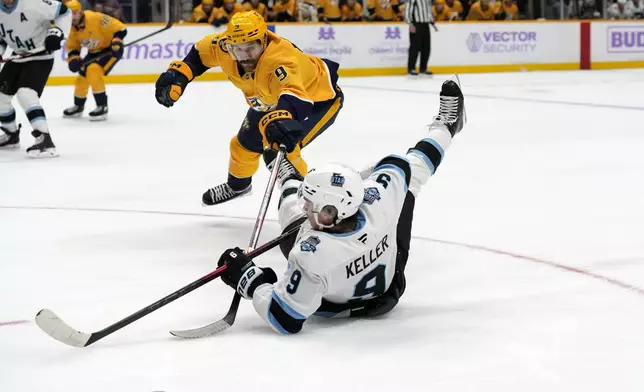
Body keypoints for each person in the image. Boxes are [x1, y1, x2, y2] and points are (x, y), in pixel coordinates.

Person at [214, 76, 466, 334]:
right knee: (409, 181)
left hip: (332, 306)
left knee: (290, 211)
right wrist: (355, 183)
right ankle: (447, 126)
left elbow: (284, 319)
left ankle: (287, 176)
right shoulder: (380, 196)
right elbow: (410, 162)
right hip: (388, 291)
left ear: (328, 214)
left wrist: (252, 282)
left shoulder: (311, 256)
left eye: (311, 204)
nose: (306, 208)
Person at [154, 11, 343, 206]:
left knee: (283, 150)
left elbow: (295, 95)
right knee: (243, 146)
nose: (244, 56)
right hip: (268, 100)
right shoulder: (225, 47)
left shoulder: (281, 59)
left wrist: (281, 119)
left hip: (316, 99)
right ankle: (238, 186)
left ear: (263, 40)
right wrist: (179, 75)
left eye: (250, 48)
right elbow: (199, 54)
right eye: (237, 49)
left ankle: (300, 202)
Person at [0, 0, 71, 157]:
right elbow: (2, 37)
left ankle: (45, 140)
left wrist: (57, 33)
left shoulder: (34, 3)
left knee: (26, 94)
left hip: (40, 55)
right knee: (0, 98)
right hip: (18, 56)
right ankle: (11, 135)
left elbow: (64, 12)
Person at [63, 0, 127, 121]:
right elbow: (73, 47)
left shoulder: (95, 18)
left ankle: (102, 106)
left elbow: (120, 28)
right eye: (69, 14)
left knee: (93, 71)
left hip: (111, 50)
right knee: (81, 77)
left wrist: (117, 41)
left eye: (75, 13)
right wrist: (73, 59)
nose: (72, 17)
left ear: (80, 12)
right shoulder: (70, 27)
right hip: (94, 52)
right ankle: (78, 106)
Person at [405, 0, 434, 76]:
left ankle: (423, 68)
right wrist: (410, 23)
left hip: (425, 24)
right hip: (416, 24)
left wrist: (431, 20)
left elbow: (428, 10)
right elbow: (408, 10)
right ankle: (411, 68)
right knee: (414, 47)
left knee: (426, 47)